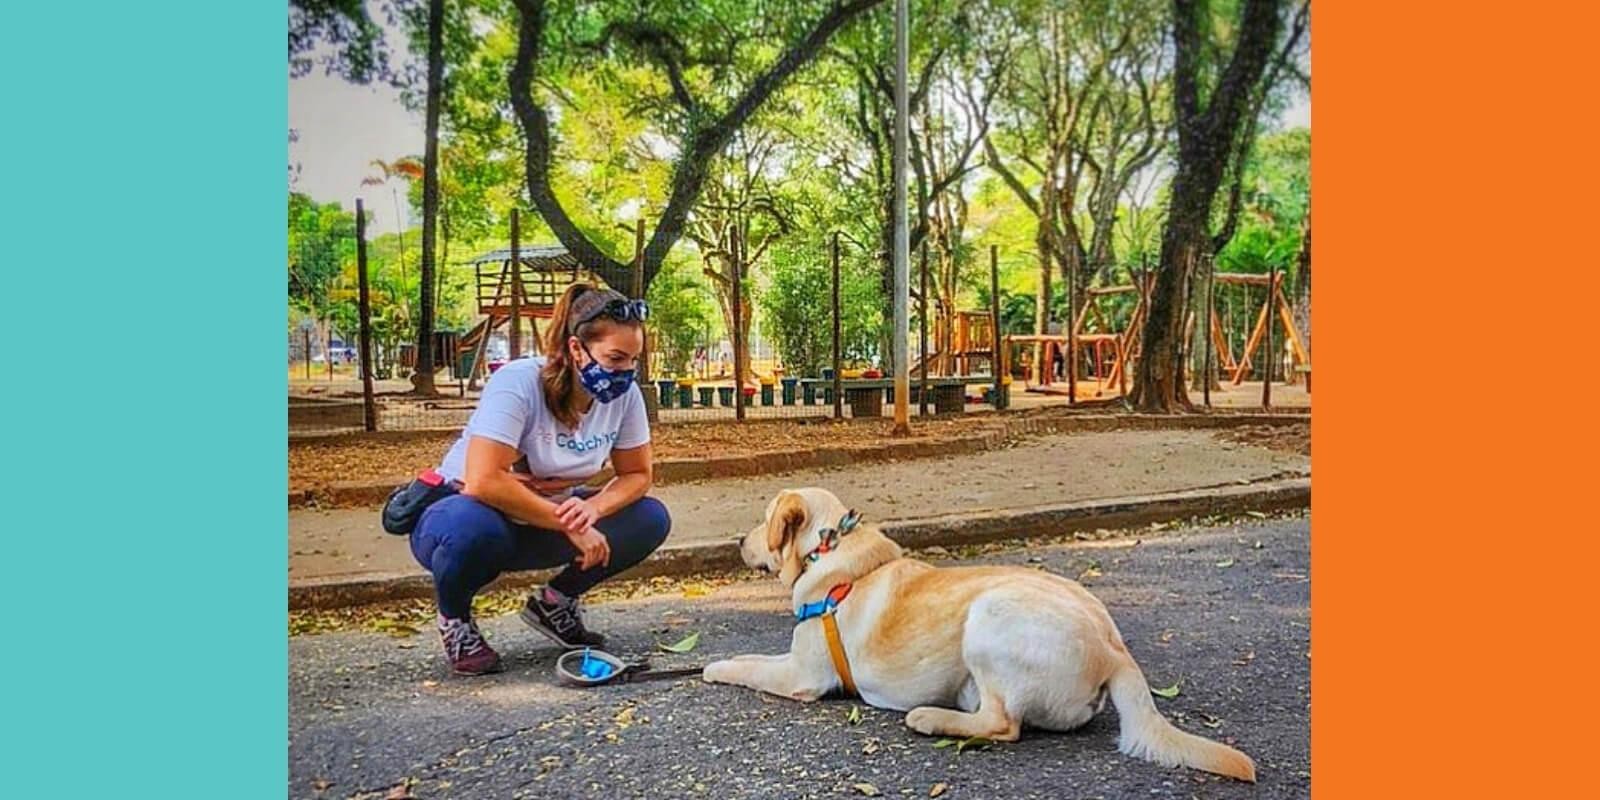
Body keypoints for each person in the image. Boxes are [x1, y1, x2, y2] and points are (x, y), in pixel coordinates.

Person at [408, 284, 671, 675]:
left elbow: (636, 475)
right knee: (472, 530)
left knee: (649, 517)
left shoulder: (624, 396)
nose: (624, 372)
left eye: (632, 360)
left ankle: (555, 603)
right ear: (577, 349)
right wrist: (569, 522)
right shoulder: (519, 382)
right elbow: (482, 480)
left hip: (541, 519)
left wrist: (590, 508)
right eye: (615, 358)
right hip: (466, 513)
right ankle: (456, 620)